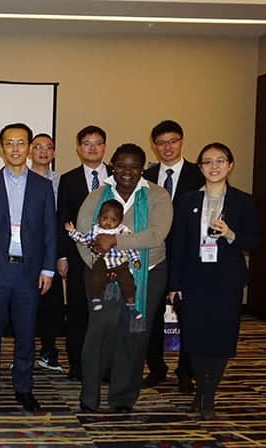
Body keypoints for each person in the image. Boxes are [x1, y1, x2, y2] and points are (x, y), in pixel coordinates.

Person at [76, 143, 172, 413]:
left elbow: (156, 235)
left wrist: (114, 241)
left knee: (133, 335)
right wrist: (101, 266)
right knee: (98, 335)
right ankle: (89, 396)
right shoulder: (97, 197)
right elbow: (83, 237)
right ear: (112, 166)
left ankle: (122, 398)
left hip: (147, 274)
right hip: (102, 276)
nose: (127, 171)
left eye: (133, 166)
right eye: (121, 165)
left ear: (143, 169)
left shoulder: (157, 195)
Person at [168, 142, 259, 419]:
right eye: (208, 162)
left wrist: (232, 234)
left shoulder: (243, 201)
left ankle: (209, 394)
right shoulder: (187, 201)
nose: (214, 166)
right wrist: (174, 284)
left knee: (221, 338)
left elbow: (254, 241)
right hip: (194, 280)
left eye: (220, 161)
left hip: (226, 281)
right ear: (200, 168)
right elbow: (178, 245)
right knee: (195, 338)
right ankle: (200, 391)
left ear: (230, 165)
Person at [0, 123, 56, 413]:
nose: (16, 149)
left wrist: (47, 269)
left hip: (28, 274)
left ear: (30, 147)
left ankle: (24, 389)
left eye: (21, 143)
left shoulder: (43, 186)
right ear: (1, 148)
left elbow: (49, 231)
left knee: (25, 335)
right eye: (9, 143)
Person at [143, 120, 204, 392]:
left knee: (188, 315)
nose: (167, 147)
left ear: (181, 142)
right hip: (154, 257)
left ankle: (185, 371)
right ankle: (156, 368)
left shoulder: (199, 175)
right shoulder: (145, 178)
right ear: (154, 146)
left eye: (173, 141)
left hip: (189, 258)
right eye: (161, 142)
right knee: (151, 315)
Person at [56, 125, 111, 381]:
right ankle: (77, 365)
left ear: (105, 147)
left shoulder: (117, 176)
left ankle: (108, 366)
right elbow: (62, 219)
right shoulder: (68, 179)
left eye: (97, 143)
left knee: (110, 313)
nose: (92, 148)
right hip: (78, 257)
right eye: (87, 143)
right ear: (78, 148)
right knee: (78, 312)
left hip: (114, 258)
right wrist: (63, 256)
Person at [65, 200, 142, 318]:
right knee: (95, 277)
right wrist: (73, 232)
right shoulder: (96, 230)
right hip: (102, 262)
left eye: (113, 220)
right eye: (104, 218)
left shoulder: (122, 231)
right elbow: (84, 240)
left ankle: (131, 305)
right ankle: (95, 298)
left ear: (120, 221)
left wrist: (135, 259)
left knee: (128, 282)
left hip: (120, 263)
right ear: (99, 217)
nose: (108, 222)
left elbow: (130, 247)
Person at [28, 133, 64, 372]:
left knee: (51, 306)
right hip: (24, 251)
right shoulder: (20, 178)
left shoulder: (62, 181)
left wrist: (61, 255)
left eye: (48, 147)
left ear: (54, 153)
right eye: (38, 147)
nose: (43, 151)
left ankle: (49, 351)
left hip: (51, 250)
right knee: (25, 305)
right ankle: (24, 353)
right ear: (30, 151)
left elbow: (64, 220)